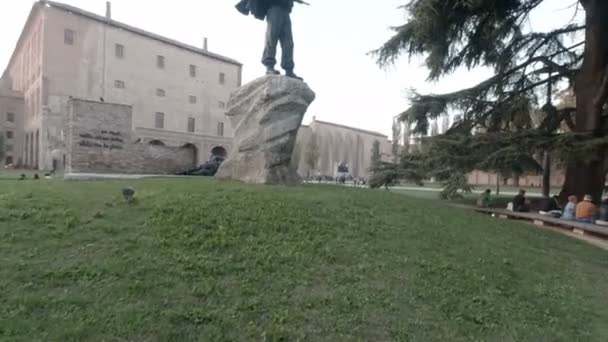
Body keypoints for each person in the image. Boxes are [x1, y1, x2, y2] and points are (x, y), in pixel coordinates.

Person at [236, 0, 307, 80]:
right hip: (274, 9)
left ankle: (289, 70)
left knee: (288, 43)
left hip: (285, 11)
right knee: (272, 38)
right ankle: (269, 66)